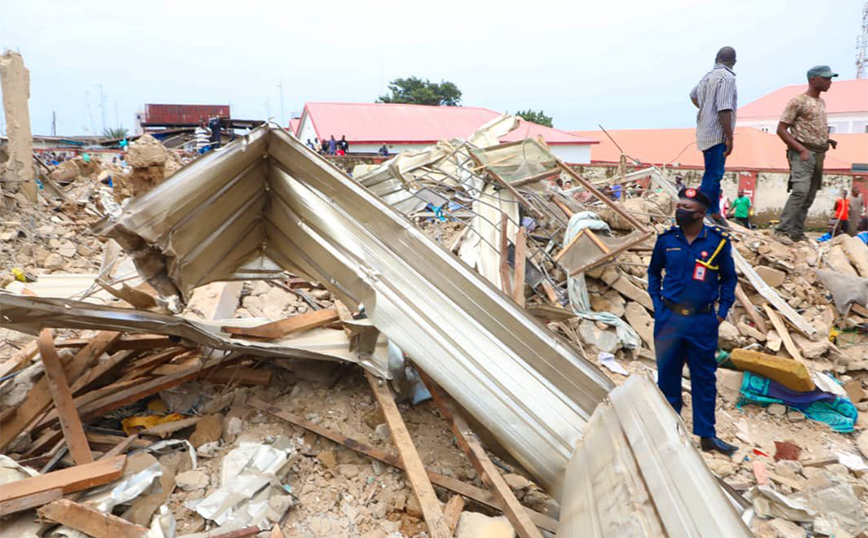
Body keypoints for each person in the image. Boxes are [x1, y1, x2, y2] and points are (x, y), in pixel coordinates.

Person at [647, 187, 738, 455]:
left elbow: (729, 279)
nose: (680, 212)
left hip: (702, 321)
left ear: (701, 213)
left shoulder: (717, 242)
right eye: (679, 206)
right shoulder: (666, 239)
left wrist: (722, 312)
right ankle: (669, 432)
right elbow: (654, 273)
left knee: (704, 379)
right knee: (668, 378)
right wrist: (656, 303)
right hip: (669, 319)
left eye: (687, 208)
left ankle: (707, 436)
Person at [774, 66, 839, 244]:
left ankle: (796, 232)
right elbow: (781, 129)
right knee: (800, 191)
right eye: (826, 79)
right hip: (803, 152)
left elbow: (812, 127)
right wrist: (801, 149)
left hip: (819, 152)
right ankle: (781, 231)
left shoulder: (821, 102)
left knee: (810, 194)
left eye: (830, 78)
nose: (830, 82)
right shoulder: (798, 101)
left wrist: (827, 140)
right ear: (813, 79)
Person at [690, 46, 738, 228]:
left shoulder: (708, 76)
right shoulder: (727, 77)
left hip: (704, 130)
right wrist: (729, 137)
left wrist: (705, 108)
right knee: (714, 174)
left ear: (716, 59)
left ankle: (715, 211)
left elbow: (693, 95)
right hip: (717, 133)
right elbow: (724, 109)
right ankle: (708, 212)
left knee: (713, 173)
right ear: (734, 62)